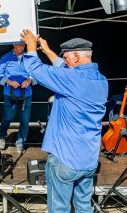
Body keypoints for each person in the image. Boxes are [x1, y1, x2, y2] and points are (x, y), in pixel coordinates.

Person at [20, 29, 108, 213]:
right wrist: (46, 50)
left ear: (76, 56)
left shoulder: (71, 79)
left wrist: (30, 45)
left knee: (59, 209)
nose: (65, 60)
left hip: (65, 159)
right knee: (84, 207)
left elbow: (34, 69)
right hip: (88, 160)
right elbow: (64, 67)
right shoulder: (101, 81)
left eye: (67, 56)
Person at [0, 43, 37, 153]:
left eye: (23, 45)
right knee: (8, 117)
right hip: (10, 94)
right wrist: (9, 81)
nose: (21, 47)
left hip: (26, 94)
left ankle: (20, 142)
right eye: (19, 45)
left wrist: (29, 80)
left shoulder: (29, 58)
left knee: (25, 120)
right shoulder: (5, 57)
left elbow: (36, 73)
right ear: (14, 45)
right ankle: (2, 137)